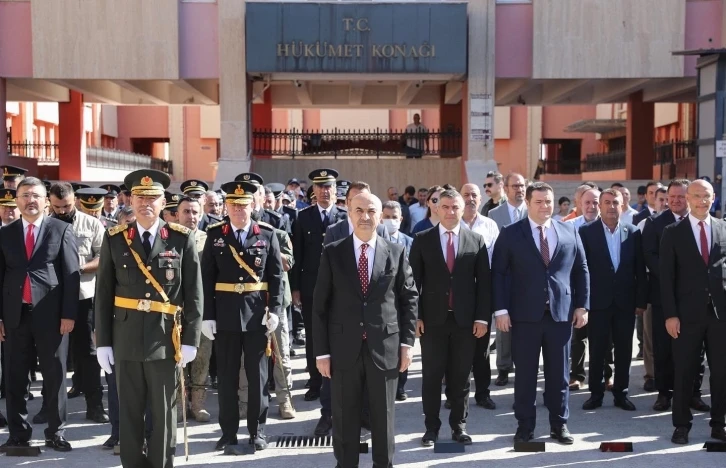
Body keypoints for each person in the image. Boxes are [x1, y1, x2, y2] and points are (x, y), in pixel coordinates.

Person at [95, 169, 203, 468]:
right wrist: (103, 341)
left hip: (165, 339)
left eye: (153, 198)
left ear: (164, 202)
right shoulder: (116, 238)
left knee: (164, 411)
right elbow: (103, 295)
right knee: (129, 411)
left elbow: (194, 294)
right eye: (140, 197)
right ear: (130, 199)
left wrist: (191, 340)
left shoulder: (181, 239)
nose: (146, 203)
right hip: (125, 338)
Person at [313, 192, 418, 467]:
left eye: (371, 211)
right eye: (359, 210)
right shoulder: (333, 252)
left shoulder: (395, 251)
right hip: (343, 348)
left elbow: (409, 299)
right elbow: (320, 306)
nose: (365, 216)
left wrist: (407, 344)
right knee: (345, 417)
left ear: (380, 215)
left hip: (385, 348)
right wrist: (321, 352)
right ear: (349, 212)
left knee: (383, 418)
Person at [491, 182, 589, 444]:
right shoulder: (511, 233)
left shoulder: (569, 231)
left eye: (548, 201)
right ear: (529, 204)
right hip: (524, 316)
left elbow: (581, 269)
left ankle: (560, 425)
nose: (545, 206)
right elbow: (498, 274)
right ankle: (525, 426)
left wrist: (582, 305)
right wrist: (500, 310)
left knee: (560, 375)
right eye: (539, 202)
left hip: (560, 315)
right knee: (525, 375)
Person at [201, 180, 284, 451]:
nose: (238, 210)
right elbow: (206, 278)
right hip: (224, 316)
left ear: (253, 205)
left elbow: (275, 277)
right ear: (226, 207)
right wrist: (207, 316)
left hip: (257, 315)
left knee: (258, 377)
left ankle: (257, 431)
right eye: (233, 205)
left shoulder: (267, 234)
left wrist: (276, 311)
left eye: (243, 204)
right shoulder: (215, 235)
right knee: (226, 378)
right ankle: (228, 433)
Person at [0, 176, 80, 453]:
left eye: (36, 195)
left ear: (45, 200)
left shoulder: (60, 229)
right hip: (14, 317)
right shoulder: (5, 233)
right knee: (14, 376)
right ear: (17, 200)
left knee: (55, 376)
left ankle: (55, 432)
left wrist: (69, 314)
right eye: (25, 195)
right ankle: (18, 434)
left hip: (52, 316)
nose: (30, 200)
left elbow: (72, 275)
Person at [410, 189, 490, 447]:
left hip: (465, 322)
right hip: (432, 321)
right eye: (445, 207)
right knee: (432, 376)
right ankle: (431, 429)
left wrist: (482, 318)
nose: (450, 212)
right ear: (436, 208)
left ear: (462, 208)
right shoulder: (422, 239)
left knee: (460, 377)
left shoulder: (476, 240)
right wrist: (416, 317)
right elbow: (412, 284)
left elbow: (484, 284)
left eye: (455, 207)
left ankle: (459, 427)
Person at [660, 178, 726, 445]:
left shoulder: (723, 228)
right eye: (697, 196)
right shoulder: (672, 232)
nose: (702, 201)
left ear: (713, 198)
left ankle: (719, 424)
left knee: (721, 372)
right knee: (685, 371)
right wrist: (670, 314)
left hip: (720, 315)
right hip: (685, 316)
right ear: (688, 198)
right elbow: (666, 278)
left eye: (707, 196)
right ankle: (681, 425)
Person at [578, 188, 647, 411]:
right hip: (598, 303)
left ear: (622, 205)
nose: (610, 207)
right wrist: (583, 303)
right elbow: (582, 270)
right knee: (597, 350)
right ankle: (596, 394)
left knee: (624, 350)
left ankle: (621, 393)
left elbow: (639, 269)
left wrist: (640, 301)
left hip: (625, 303)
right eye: (606, 202)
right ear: (599, 205)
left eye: (615, 202)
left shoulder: (633, 232)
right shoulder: (586, 232)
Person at [290, 169, 347, 435]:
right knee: (315, 336)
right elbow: (298, 254)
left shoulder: (345, 217)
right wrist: (296, 288)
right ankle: (315, 381)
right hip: (312, 285)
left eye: (330, 187)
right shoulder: (304, 217)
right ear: (313, 189)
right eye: (320, 186)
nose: (325, 191)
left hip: (339, 289)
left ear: (336, 191)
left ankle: (337, 380)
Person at [49, 185, 109, 423]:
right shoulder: (45, 224)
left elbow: (103, 257)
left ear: (75, 200)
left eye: (67, 206)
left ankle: (94, 405)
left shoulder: (91, 223)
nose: (63, 211)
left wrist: (76, 270)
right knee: (52, 354)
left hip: (84, 294)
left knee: (87, 352)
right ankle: (50, 406)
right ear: (50, 203)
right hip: (52, 296)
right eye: (57, 207)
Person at [487, 173, 528, 386]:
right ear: (506, 188)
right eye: (515, 186)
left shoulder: (532, 211)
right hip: (504, 277)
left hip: (528, 280)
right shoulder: (494, 214)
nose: (519, 189)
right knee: (503, 325)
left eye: (522, 185)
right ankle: (503, 367)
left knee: (526, 326)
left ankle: (524, 366)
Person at [175, 195, 213, 423]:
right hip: (175, 308)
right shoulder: (168, 238)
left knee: (201, 357)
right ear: (177, 214)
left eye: (195, 212)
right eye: (186, 212)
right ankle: (179, 404)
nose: (191, 216)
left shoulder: (209, 240)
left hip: (201, 308)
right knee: (176, 356)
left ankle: (198, 404)